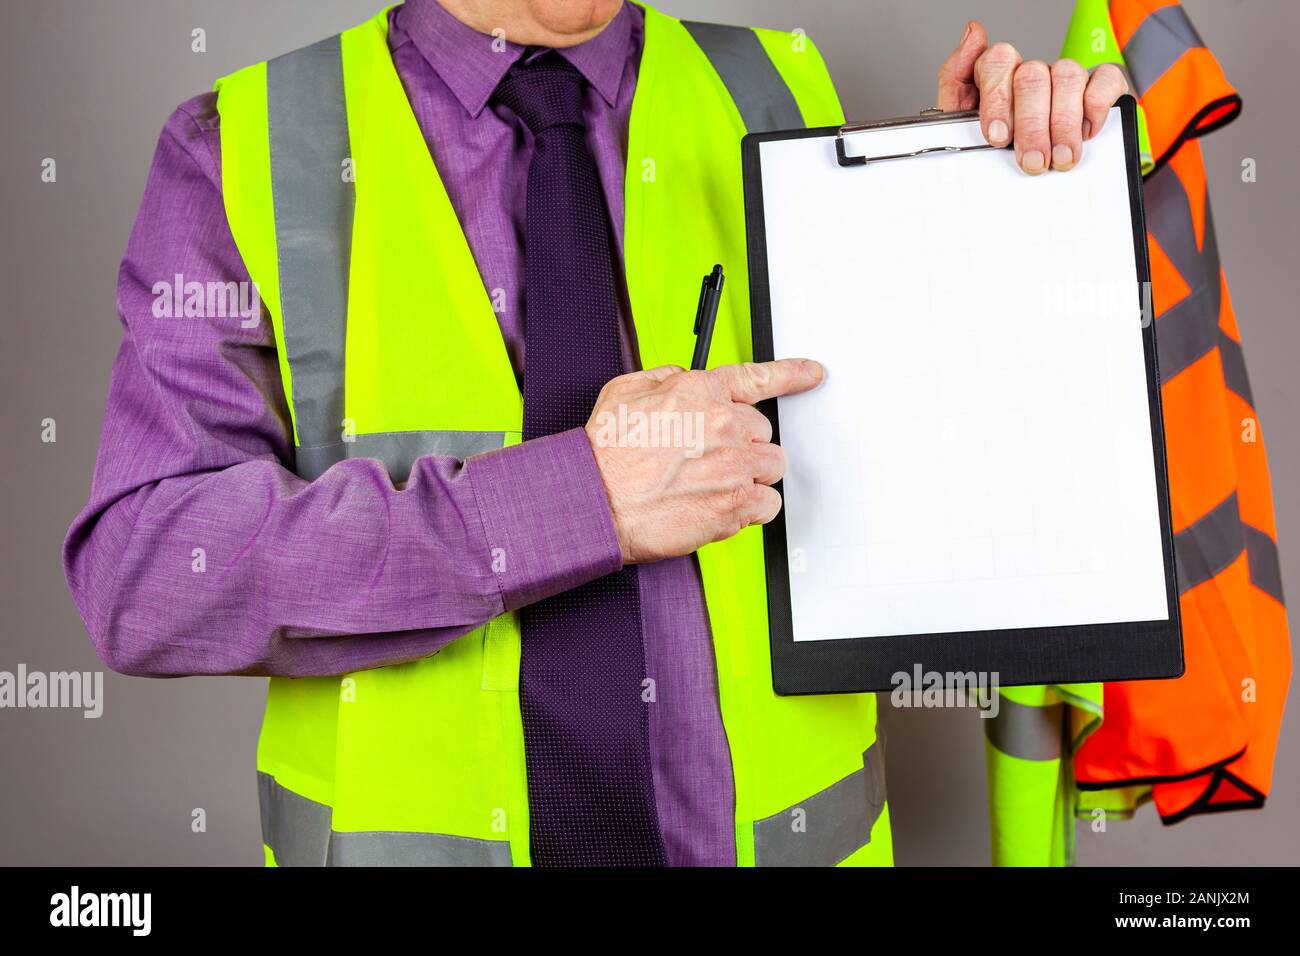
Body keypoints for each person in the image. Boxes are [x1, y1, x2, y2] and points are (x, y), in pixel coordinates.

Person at [64, 0, 1128, 866]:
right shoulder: (244, 141)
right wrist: (577, 500)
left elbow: (908, 467)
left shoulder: (777, 84)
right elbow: (147, 574)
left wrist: (982, 198)